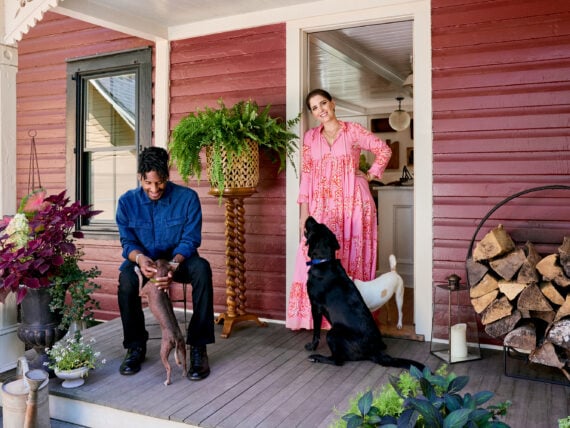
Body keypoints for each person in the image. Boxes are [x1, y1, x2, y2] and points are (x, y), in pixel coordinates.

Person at [286, 88, 392, 330]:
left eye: (323, 103)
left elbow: (384, 150)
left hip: (354, 201)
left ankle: (351, 316)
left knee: (351, 254)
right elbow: (307, 175)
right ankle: (317, 317)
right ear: (312, 113)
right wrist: (304, 213)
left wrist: (369, 175)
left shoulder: (352, 130)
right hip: (322, 203)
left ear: (332, 104)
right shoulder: (310, 138)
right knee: (311, 254)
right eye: (315, 107)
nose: (321, 110)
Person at [116, 146, 215, 380]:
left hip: (178, 261)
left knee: (202, 269)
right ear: (141, 177)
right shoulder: (127, 202)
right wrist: (140, 259)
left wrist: (173, 263)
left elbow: (191, 239)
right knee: (126, 280)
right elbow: (127, 242)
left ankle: (199, 347)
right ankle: (135, 346)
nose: (154, 189)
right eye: (148, 183)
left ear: (167, 177)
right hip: (144, 262)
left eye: (159, 183)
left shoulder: (187, 198)